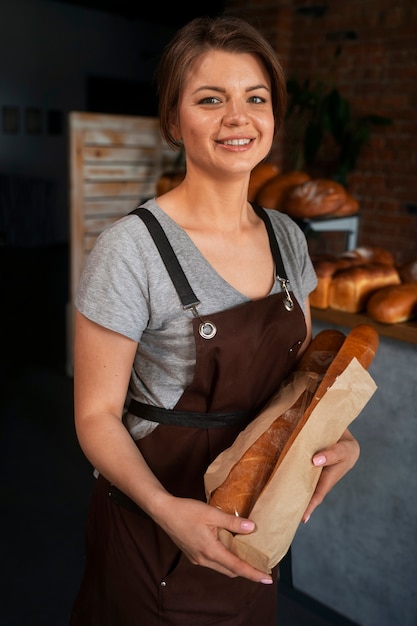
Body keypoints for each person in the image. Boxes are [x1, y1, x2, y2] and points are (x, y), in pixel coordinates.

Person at [69, 15, 360, 626]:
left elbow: (300, 379)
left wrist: (336, 435)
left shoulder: (287, 237)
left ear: (274, 116)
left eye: (256, 98)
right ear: (174, 120)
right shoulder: (132, 248)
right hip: (152, 535)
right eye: (210, 99)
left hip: (256, 528)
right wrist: (167, 510)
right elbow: (95, 416)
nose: (238, 117)